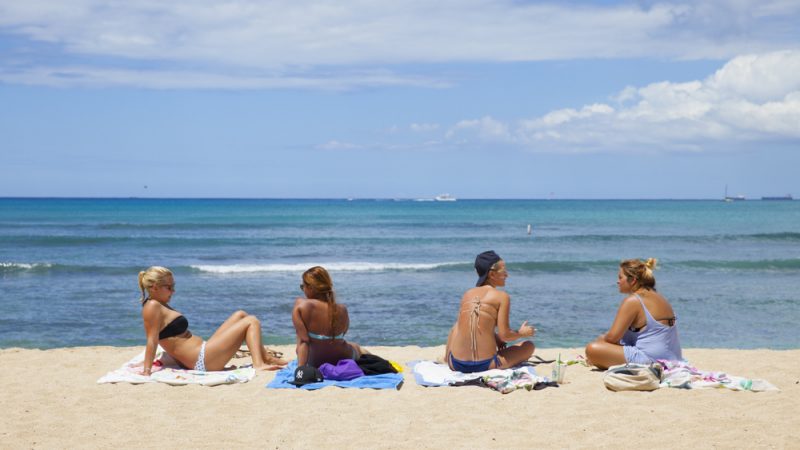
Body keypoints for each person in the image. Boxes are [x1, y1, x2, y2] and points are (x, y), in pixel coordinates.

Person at [138, 266, 286, 376]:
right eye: (169, 287)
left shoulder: (159, 304)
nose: (173, 291)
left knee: (240, 314)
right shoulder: (152, 306)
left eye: (173, 286)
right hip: (202, 360)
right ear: (155, 287)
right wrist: (147, 370)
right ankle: (258, 364)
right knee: (251, 321)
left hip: (203, 351)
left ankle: (265, 357)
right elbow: (152, 340)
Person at [444, 250, 535, 373]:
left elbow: (475, 323)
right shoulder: (501, 296)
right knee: (529, 346)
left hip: (455, 364)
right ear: (492, 275)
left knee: (457, 325)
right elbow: (505, 336)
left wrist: (495, 337)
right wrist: (522, 333)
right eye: (504, 272)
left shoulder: (467, 294)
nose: (507, 275)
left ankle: (446, 358)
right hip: (487, 364)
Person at [585, 258, 682, 370]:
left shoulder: (633, 301)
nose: (618, 281)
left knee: (592, 348)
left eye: (620, 277)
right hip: (671, 358)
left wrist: (599, 351)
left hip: (651, 360)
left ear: (633, 280)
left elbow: (612, 338)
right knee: (601, 341)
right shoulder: (658, 297)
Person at [292, 266, 366, 367]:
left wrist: (300, 369)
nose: (303, 290)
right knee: (356, 347)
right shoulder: (342, 309)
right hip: (343, 357)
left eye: (302, 286)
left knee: (301, 334)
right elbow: (342, 334)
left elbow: (303, 341)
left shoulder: (301, 305)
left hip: (314, 361)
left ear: (311, 288)